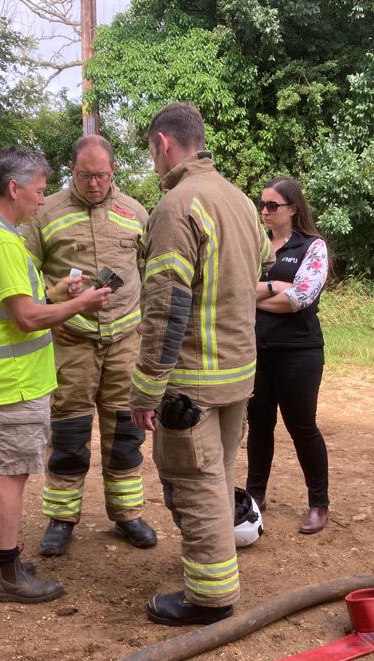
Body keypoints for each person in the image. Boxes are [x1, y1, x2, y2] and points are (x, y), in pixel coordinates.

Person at [130, 102, 270, 626]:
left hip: (191, 383)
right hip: (237, 375)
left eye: (150, 152)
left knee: (196, 482)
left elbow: (166, 310)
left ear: (163, 144)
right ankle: (215, 571)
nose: (152, 162)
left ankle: (210, 599)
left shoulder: (176, 206)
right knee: (219, 474)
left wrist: (145, 391)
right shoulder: (238, 201)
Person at [0, 146, 111, 603]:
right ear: (14, 188)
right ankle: (6, 572)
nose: (43, 201)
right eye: (40, 192)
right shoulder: (5, 241)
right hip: (17, 378)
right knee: (15, 472)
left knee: (6, 466)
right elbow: (26, 317)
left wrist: (56, 290)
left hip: (5, 374)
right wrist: (79, 304)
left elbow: (19, 300)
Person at [22, 135, 157, 559]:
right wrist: (49, 309)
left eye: (101, 175)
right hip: (71, 342)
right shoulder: (46, 213)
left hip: (124, 343)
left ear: (113, 171)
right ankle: (62, 519)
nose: (94, 184)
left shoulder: (137, 212)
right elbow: (23, 273)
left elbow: (152, 273)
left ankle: (127, 514)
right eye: (85, 175)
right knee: (68, 433)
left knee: (126, 435)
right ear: (72, 171)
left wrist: (146, 327)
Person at [246, 176, 331, 534]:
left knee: (302, 427)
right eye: (261, 204)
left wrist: (259, 296)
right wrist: (272, 286)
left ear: (293, 208)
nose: (264, 211)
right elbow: (235, 293)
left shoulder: (313, 246)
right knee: (259, 426)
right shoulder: (253, 246)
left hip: (299, 353)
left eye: (272, 205)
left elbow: (300, 298)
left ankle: (318, 503)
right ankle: (254, 496)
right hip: (256, 353)